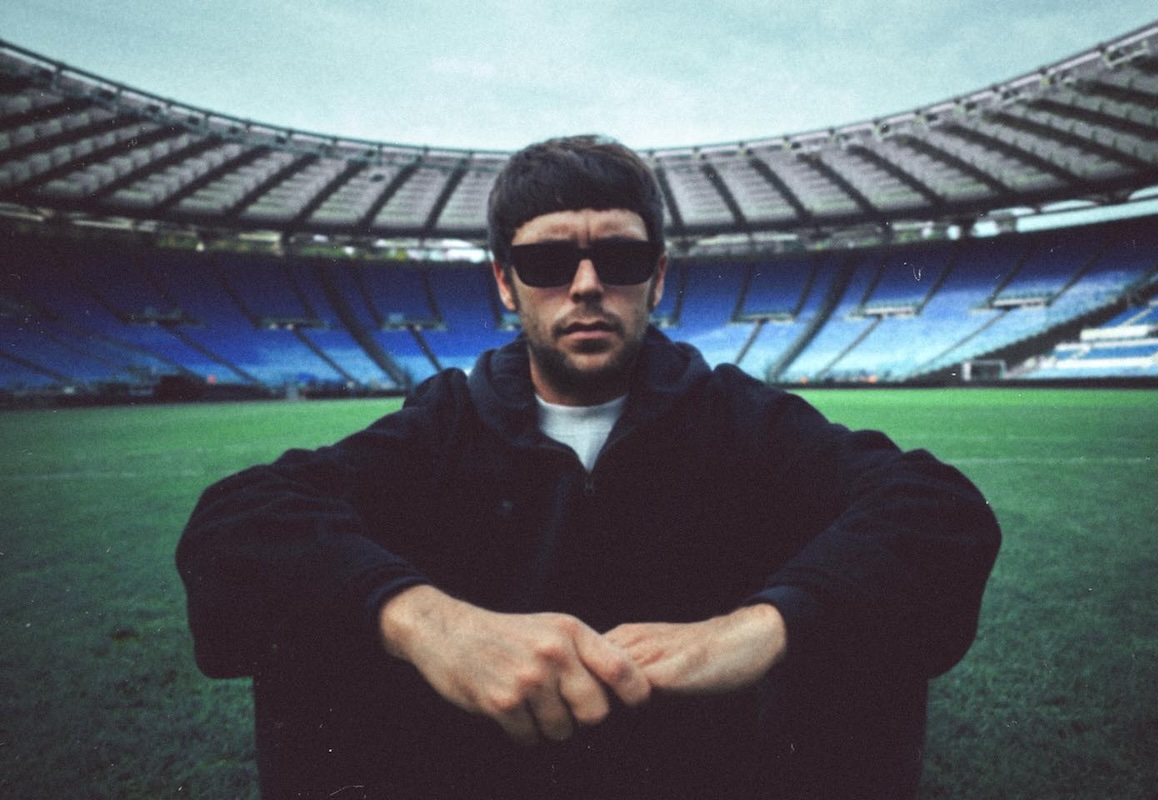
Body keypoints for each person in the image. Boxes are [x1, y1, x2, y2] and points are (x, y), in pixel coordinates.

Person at [177, 134, 1000, 800]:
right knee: (317, 600)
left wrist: (760, 630)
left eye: (620, 257)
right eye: (545, 263)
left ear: (659, 277)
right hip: (483, 773)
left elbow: (935, 508)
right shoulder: (447, 419)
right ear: (505, 283)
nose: (585, 285)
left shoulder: (734, 413)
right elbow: (238, 519)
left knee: (864, 607)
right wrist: (431, 625)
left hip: (706, 773)